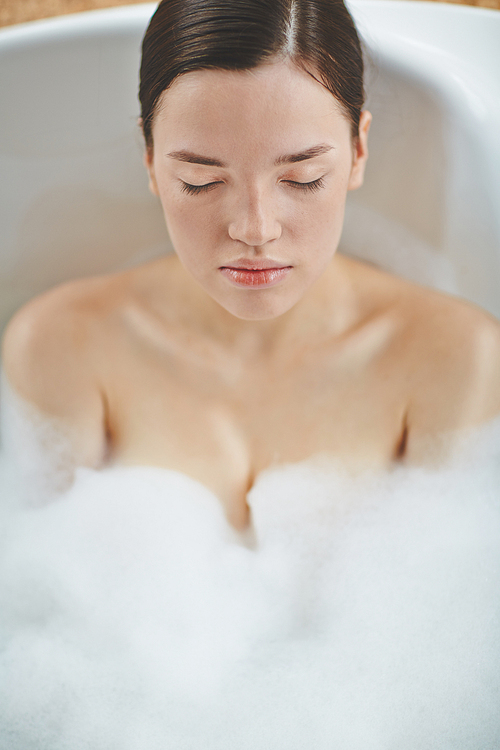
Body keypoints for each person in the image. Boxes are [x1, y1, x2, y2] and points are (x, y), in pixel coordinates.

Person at [2, 0, 500, 531]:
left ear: (358, 152)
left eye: (303, 177)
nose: (255, 229)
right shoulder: (61, 347)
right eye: (200, 181)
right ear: (150, 162)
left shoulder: (453, 358)